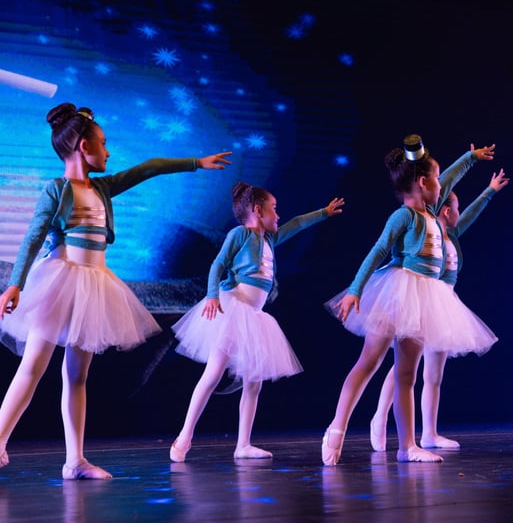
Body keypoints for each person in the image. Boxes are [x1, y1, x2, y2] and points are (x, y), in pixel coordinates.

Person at [0, 102, 232, 479]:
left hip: (94, 286)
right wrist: (15, 285)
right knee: (32, 368)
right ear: (83, 147)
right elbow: (32, 238)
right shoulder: (57, 190)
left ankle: (75, 461)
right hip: (58, 283)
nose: (108, 152)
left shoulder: (103, 188)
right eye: (103, 143)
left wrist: (196, 163)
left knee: (77, 376)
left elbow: (149, 167)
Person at [322, 134, 498, 465]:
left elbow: (449, 178)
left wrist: (471, 158)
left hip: (425, 297)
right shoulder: (404, 216)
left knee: (407, 375)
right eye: (436, 178)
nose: (442, 184)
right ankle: (337, 427)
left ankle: (407, 447)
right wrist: (355, 289)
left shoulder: (431, 212)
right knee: (370, 361)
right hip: (396, 291)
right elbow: (377, 251)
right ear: (422, 183)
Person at [169, 183, 344, 462]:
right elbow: (218, 265)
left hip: (254, 316)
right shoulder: (240, 234)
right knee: (213, 374)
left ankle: (243, 445)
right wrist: (212, 296)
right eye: (274, 209)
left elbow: (297, 224)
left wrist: (324, 212)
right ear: (257, 210)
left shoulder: (269, 239)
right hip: (232, 309)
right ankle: (184, 436)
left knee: (254, 382)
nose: (278, 215)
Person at [369, 169, 508, 451]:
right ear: (446, 210)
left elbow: (472, 213)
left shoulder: (451, 235)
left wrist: (490, 190)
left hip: (444, 306)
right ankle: (379, 417)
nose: (459, 212)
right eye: (455, 207)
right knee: (404, 367)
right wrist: (472, 165)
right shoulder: (425, 232)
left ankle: (429, 433)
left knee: (434, 375)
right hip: (421, 301)